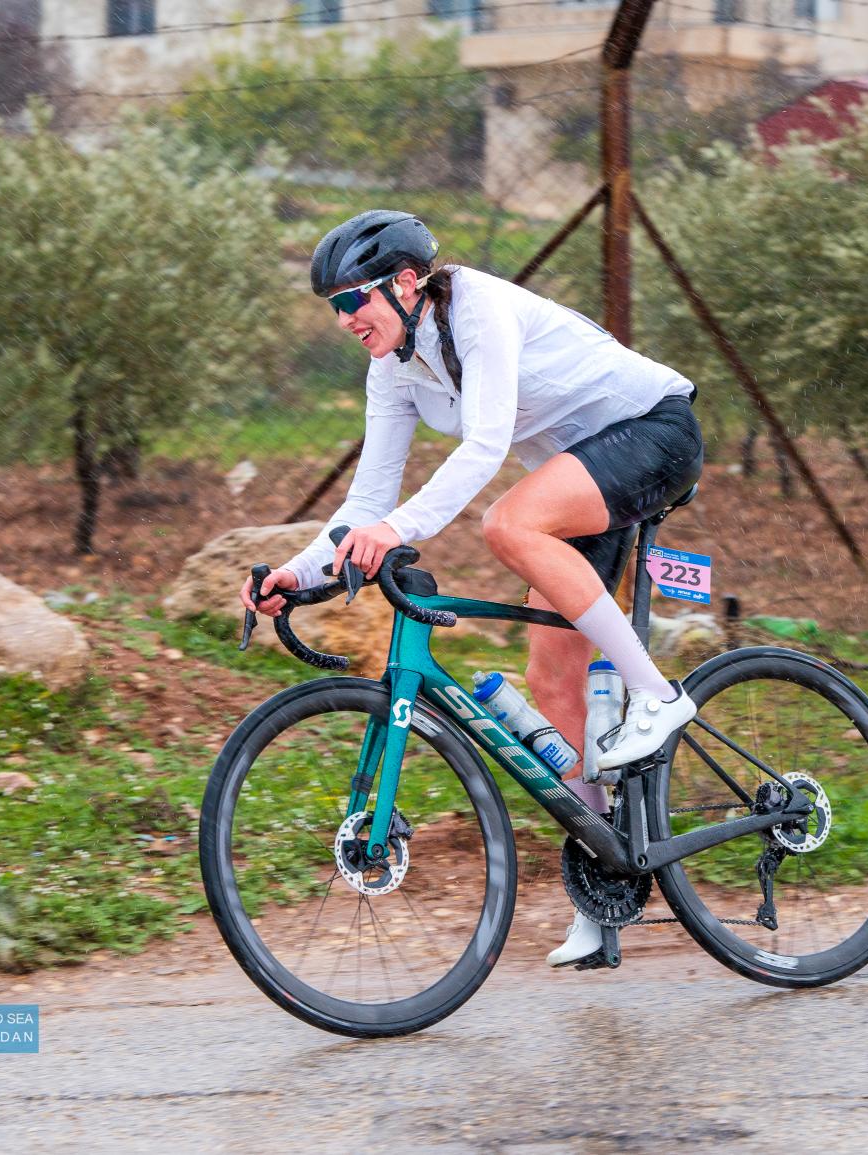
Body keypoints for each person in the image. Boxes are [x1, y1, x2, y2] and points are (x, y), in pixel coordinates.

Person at [239, 209, 703, 968]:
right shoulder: (392, 367)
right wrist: (299, 571)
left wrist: (397, 530)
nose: (344, 319)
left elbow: (486, 445)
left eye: (352, 299)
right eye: (333, 307)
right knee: (550, 681)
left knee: (508, 524)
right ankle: (606, 881)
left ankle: (656, 695)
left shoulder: (479, 308)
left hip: (653, 431)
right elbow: (367, 500)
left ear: (405, 282)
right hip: (577, 477)